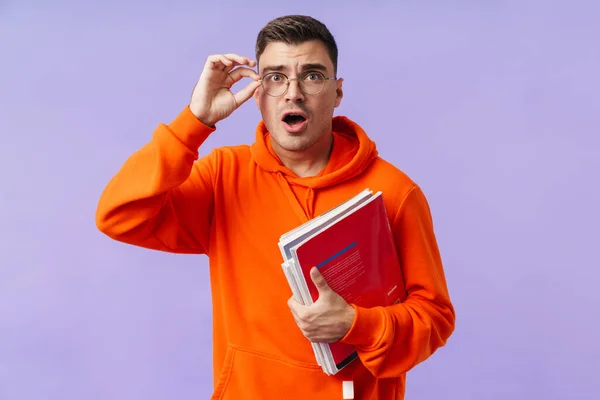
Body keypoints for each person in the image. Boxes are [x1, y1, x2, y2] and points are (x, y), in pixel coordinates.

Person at [95, 14, 455, 400]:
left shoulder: (395, 192)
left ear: (337, 93)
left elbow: (433, 319)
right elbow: (119, 215)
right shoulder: (223, 177)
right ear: (259, 93)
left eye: (313, 76)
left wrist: (358, 324)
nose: (293, 92)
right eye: (276, 76)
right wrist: (193, 121)